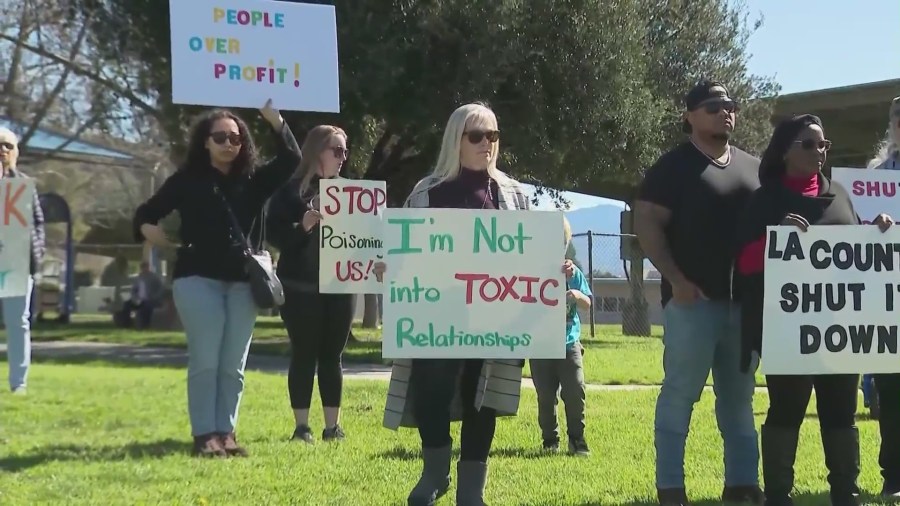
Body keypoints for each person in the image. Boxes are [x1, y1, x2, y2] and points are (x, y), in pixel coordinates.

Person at [374, 102, 570, 506]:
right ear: (456, 140)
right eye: (477, 136)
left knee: (482, 399)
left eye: (493, 136)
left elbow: (527, 255)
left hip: (494, 316)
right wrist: (391, 267)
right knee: (431, 393)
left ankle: (471, 492)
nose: (487, 144)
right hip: (436, 315)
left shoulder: (513, 194)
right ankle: (435, 474)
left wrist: (553, 268)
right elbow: (408, 255)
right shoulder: (427, 192)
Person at [735, 114, 893, 506]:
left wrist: (879, 230)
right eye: (808, 144)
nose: (818, 152)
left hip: (839, 330)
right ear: (785, 151)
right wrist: (778, 242)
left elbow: (858, 252)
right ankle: (778, 495)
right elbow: (745, 262)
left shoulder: (839, 194)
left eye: (823, 145)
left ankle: (845, 491)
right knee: (786, 410)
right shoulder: (765, 199)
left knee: (841, 411)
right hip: (788, 331)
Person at [132, 100, 300, 458]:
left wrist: (276, 122)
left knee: (233, 364)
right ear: (205, 142)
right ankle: (204, 435)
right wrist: (148, 229)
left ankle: (226, 432)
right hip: (197, 280)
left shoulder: (254, 180)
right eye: (220, 137)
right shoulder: (187, 180)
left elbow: (292, 161)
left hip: (244, 283)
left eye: (236, 138)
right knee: (207, 359)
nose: (228, 143)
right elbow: (147, 212)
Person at [633, 79, 762, 506]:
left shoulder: (755, 168)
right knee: (679, 396)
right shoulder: (672, 167)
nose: (724, 111)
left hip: (745, 308)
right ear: (689, 116)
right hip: (692, 306)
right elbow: (648, 223)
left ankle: (742, 486)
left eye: (730, 105)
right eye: (712, 106)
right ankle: (671, 489)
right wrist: (676, 279)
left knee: (739, 402)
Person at [265, 125, 354, 444]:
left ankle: (333, 427)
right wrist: (301, 226)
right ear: (317, 152)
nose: (343, 157)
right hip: (300, 286)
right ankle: (302, 427)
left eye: (345, 151)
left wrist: (376, 262)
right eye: (336, 150)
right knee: (304, 354)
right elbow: (274, 235)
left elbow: (370, 238)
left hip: (341, 287)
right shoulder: (291, 191)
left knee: (333, 356)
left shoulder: (352, 194)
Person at [529, 215, 592, 456]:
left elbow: (588, 303)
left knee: (575, 390)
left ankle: (577, 439)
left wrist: (576, 294)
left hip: (568, 343)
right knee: (545, 397)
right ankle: (550, 440)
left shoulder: (571, 272)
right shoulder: (529, 273)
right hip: (539, 344)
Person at [864, 96, 900, 499]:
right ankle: (894, 473)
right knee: (892, 390)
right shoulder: (875, 175)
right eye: (898, 119)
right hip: (889, 298)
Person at [0, 127, 45, 395]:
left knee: (18, 322)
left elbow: (38, 222)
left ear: (16, 152)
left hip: (15, 262)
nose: (3, 150)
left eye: (8, 146)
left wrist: (35, 252)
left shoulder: (23, 185)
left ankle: (19, 383)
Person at [119, 261, 165, 329]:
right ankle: (126, 324)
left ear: (148, 267)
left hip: (150, 300)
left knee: (145, 307)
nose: (144, 269)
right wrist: (135, 298)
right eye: (142, 267)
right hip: (139, 300)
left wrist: (154, 297)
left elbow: (161, 289)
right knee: (126, 305)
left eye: (145, 267)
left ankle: (145, 325)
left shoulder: (154, 277)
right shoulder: (138, 278)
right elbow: (134, 290)